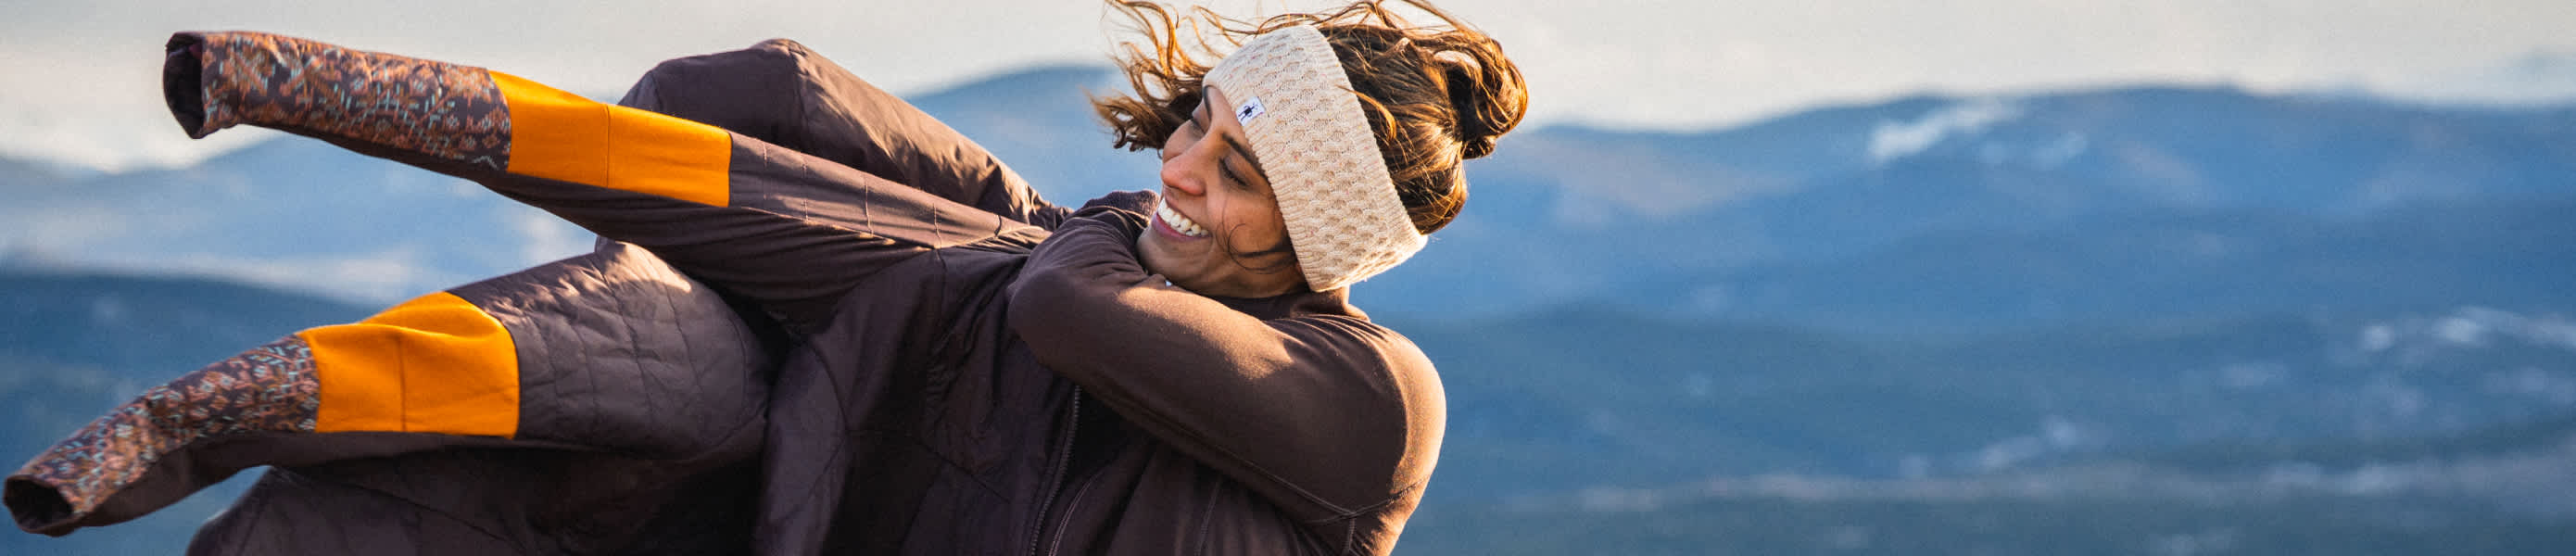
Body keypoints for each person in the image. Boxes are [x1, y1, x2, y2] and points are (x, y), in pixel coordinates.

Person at [4, 0, 1525, 554]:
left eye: (1239, 174)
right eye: (1201, 124)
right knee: (652, 287)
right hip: (853, 428)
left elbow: (1070, 309)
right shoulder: (1072, 245)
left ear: (1329, 244)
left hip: (941, 373)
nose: (1185, 168)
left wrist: (1098, 221)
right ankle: (263, 100)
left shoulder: (1372, 400)